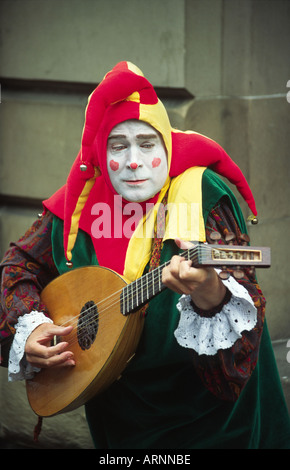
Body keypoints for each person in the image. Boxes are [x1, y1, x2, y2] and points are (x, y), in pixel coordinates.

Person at [1, 62, 290, 449]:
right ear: (101, 155)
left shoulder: (204, 195)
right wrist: (31, 324)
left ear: (166, 144)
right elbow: (19, 264)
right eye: (118, 146)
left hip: (213, 425)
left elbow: (242, 341)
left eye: (147, 143)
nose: (134, 161)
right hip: (120, 423)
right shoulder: (76, 205)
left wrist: (211, 297)